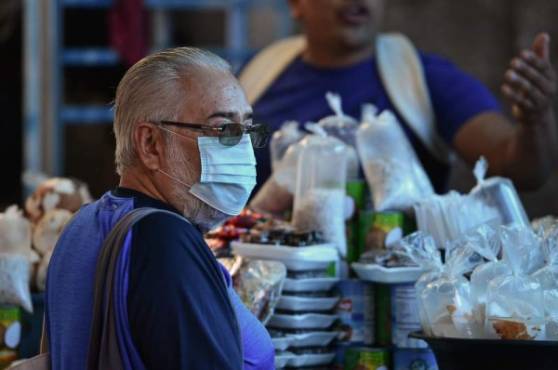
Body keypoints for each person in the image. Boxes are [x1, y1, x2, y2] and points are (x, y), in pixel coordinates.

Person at [45, 47, 274, 370]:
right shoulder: (164, 240)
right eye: (223, 129)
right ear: (150, 144)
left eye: (246, 128)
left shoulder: (83, 222)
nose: (242, 148)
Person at [240, 0, 557, 193]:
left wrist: (536, 120)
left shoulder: (422, 77)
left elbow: (520, 168)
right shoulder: (259, 74)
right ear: (296, 4)